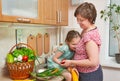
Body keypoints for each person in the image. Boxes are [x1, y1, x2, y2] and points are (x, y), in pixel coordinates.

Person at [60, 2, 103, 81]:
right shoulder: (85, 30)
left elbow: (93, 62)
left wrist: (72, 62)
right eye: (77, 19)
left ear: (90, 19)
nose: (78, 22)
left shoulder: (89, 35)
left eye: (81, 20)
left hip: (90, 76)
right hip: (84, 73)